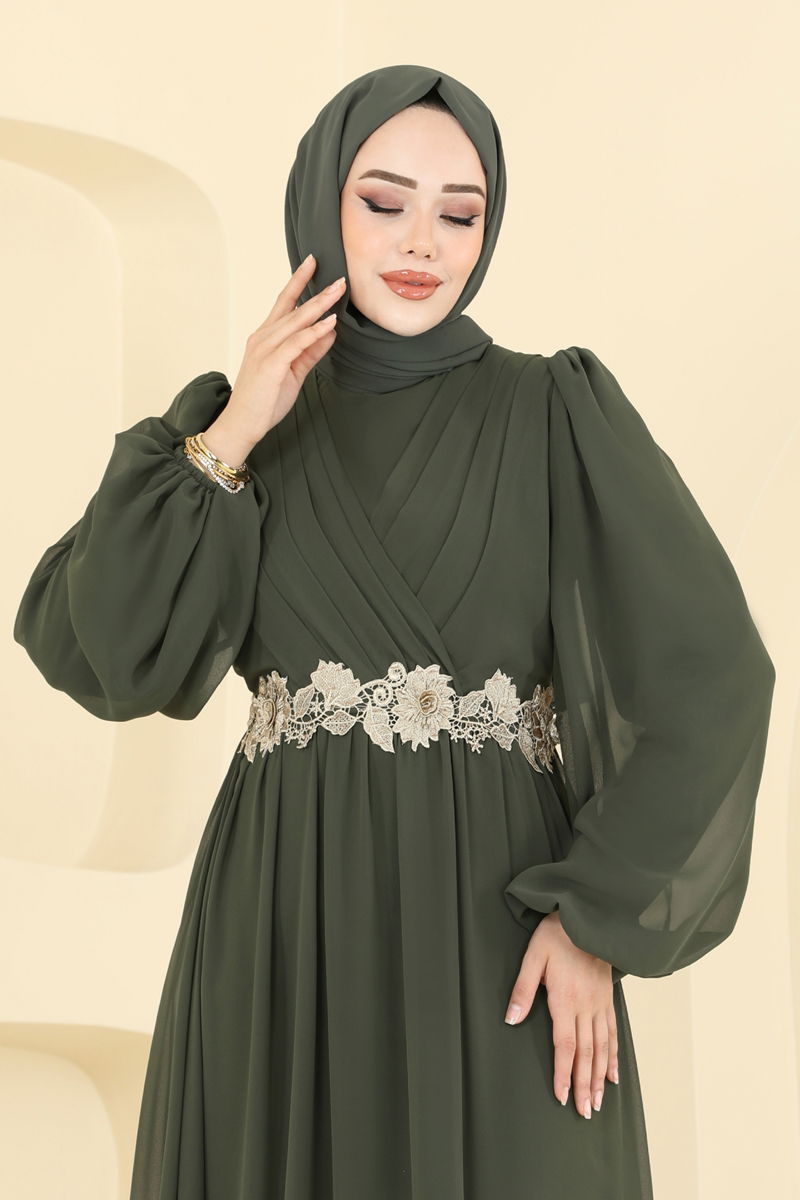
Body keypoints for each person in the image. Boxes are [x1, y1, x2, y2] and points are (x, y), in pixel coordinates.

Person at [13, 64, 776, 1200]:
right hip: (283, 924)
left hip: (501, 924)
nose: (423, 241)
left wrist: (594, 918)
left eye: (459, 214)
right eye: (383, 202)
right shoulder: (232, 431)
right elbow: (102, 652)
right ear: (322, 203)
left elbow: (711, 676)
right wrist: (235, 430)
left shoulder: (554, 412)